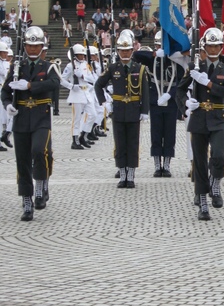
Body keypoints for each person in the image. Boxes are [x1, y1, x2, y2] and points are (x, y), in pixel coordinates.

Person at [0, 25, 60, 221]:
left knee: (39, 151)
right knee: (22, 160)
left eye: (36, 46)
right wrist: (8, 105)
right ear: (24, 46)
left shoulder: (48, 66)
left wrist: (29, 85)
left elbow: (54, 84)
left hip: (41, 116)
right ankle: (27, 201)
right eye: (29, 45)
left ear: (42, 47)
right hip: (21, 117)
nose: (32, 49)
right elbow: (5, 91)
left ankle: (40, 185)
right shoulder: (17, 67)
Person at [176, 28, 224, 221]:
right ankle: (202, 203)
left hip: (218, 117)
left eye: (216, 46)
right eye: (210, 46)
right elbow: (179, 90)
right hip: (199, 118)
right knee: (200, 162)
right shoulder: (195, 67)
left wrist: (208, 84)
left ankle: (215, 183)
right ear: (205, 46)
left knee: (219, 155)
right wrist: (186, 103)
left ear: (221, 47)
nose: (213, 49)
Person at [95, 29, 150, 188]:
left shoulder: (139, 68)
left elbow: (145, 91)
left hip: (134, 109)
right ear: (118, 51)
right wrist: (104, 102)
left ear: (132, 50)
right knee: (120, 143)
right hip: (118, 110)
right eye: (122, 50)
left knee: (132, 143)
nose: (125, 53)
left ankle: (130, 175)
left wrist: (144, 111)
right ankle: (122, 174)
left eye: (127, 50)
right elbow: (98, 85)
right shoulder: (113, 68)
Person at [133, 31, 185, 177]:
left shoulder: (176, 60)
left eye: (162, 46)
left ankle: (166, 165)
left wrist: (171, 94)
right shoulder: (152, 59)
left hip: (170, 101)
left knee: (169, 133)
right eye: (157, 46)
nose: (159, 48)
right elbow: (136, 55)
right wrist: (155, 54)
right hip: (155, 99)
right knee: (156, 133)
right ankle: (157, 165)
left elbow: (181, 81)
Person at [61, 43, 97, 150]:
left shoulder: (86, 65)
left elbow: (92, 79)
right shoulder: (70, 66)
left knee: (93, 115)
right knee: (76, 119)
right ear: (75, 55)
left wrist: (82, 76)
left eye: (83, 55)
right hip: (76, 93)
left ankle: (83, 136)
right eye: (80, 55)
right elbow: (62, 80)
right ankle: (75, 140)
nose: (82, 56)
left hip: (86, 92)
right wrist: (71, 86)